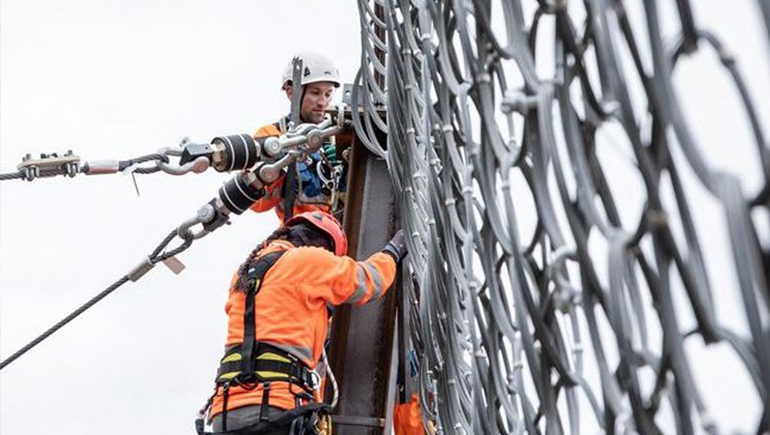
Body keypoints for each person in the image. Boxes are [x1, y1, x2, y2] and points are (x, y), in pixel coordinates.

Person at [198, 211, 407, 435]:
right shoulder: (308, 259)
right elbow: (368, 281)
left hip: (225, 412)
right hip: (276, 408)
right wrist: (393, 251)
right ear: (324, 245)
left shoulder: (245, 274)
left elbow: (273, 325)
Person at [251, 52, 347, 222]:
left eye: (327, 94)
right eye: (315, 92)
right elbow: (257, 204)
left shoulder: (342, 135)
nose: (322, 102)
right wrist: (283, 162)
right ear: (291, 92)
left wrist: (348, 163)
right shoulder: (272, 137)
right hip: (297, 234)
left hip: (341, 236)